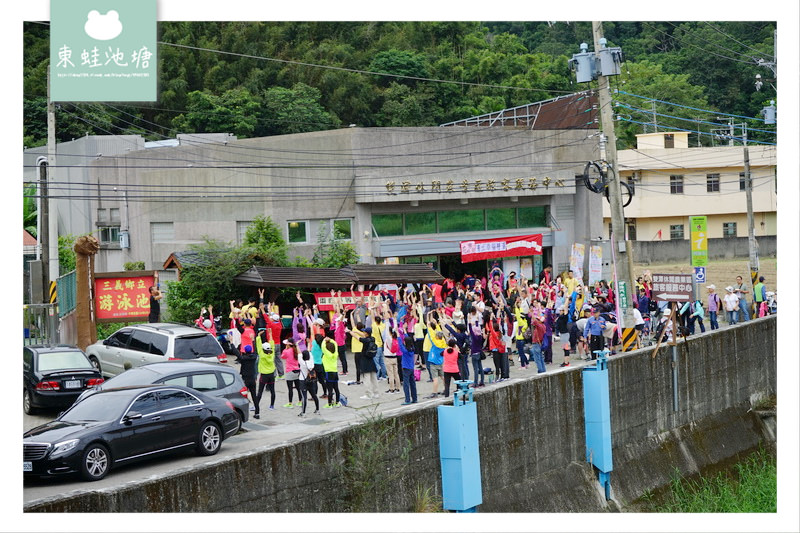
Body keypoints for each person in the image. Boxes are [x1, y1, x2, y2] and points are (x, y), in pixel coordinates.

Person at [254, 331, 276, 419]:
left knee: (260, 392)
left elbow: (258, 345)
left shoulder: (262, 354)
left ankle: (256, 406)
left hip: (264, 375)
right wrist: (270, 335)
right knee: (272, 390)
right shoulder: (272, 353)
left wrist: (258, 336)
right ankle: (272, 405)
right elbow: (272, 345)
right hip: (271, 374)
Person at [358, 331, 380, 400]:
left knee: (366, 378)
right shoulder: (372, 339)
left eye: (364, 332)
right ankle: (376, 393)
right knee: (374, 377)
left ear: (366, 333)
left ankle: (368, 394)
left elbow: (357, 337)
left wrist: (350, 331)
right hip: (371, 360)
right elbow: (362, 335)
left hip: (365, 360)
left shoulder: (365, 341)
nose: (363, 333)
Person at [297, 350, 320, 416]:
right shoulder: (311, 362)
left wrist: (297, 344)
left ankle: (303, 412)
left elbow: (299, 355)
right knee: (314, 395)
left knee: (304, 397)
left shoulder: (303, 363)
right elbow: (310, 354)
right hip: (311, 380)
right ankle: (317, 409)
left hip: (302, 380)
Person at [281, 340, 302, 407]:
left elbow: (282, 357)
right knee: (298, 388)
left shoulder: (286, 351)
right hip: (297, 370)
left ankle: (290, 403)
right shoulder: (295, 350)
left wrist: (285, 349)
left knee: (290, 389)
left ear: (288, 345)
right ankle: (300, 401)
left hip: (290, 371)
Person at [238, 344, 258, 415]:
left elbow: (236, 353)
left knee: (242, 395)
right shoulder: (254, 357)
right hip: (252, 378)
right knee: (254, 395)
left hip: (245, 379)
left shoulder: (243, 359)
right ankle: (257, 412)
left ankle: (243, 412)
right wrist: (253, 341)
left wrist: (231, 343)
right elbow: (256, 350)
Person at [398, 334, 418, 405]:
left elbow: (400, 344)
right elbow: (407, 339)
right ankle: (415, 398)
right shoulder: (412, 348)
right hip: (411, 368)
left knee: (406, 385)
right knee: (412, 384)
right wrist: (405, 332)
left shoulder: (405, 350)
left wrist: (398, 335)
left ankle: (407, 399)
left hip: (406, 368)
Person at [321, 338, 341, 408]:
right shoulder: (335, 353)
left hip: (328, 373)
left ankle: (329, 404)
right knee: (336, 389)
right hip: (335, 372)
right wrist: (331, 340)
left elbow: (323, 347)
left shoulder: (326, 354)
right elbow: (335, 344)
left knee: (329, 390)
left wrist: (324, 340)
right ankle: (337, 402)